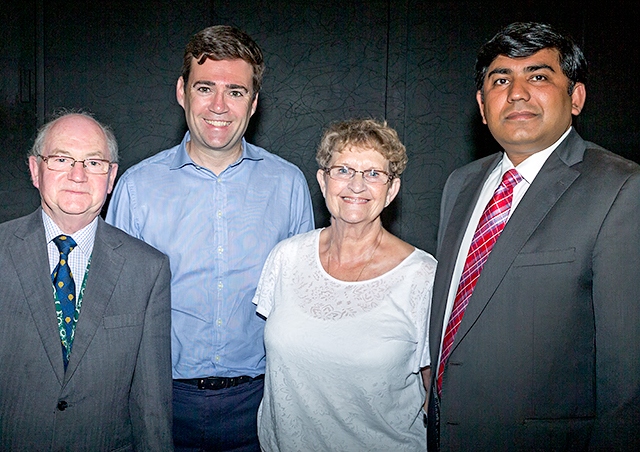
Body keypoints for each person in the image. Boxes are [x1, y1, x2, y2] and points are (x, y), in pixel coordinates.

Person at [427, 21, 640, 451]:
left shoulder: (621, 188)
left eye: (539, 76)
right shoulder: (460, 184)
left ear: (576, 98)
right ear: (483, 106)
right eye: (500, 79)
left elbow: (628, 382)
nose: (517, 92)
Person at [106, 25, 314, 451]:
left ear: (254, 103)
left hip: (259, 403)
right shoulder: (135, 187)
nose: (219, 106)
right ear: (182, 92)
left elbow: (305, 303)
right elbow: (112, 310)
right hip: (160, 402)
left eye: (236, 92)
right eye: (205, 88)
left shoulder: (288, 184)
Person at [253, 118, 436, 451]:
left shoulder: (422, 277)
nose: (356, 186)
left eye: (374, 174)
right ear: (323, 181)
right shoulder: (286, 258)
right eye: (343, 170)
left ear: (391, 189)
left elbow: (436, 393)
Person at [0, 111, 173, 450]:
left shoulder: (147, 270)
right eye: (62, 159)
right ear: (35, 169)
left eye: (94, 163)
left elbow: (151, 407)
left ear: (111, 178)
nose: (77, 175)